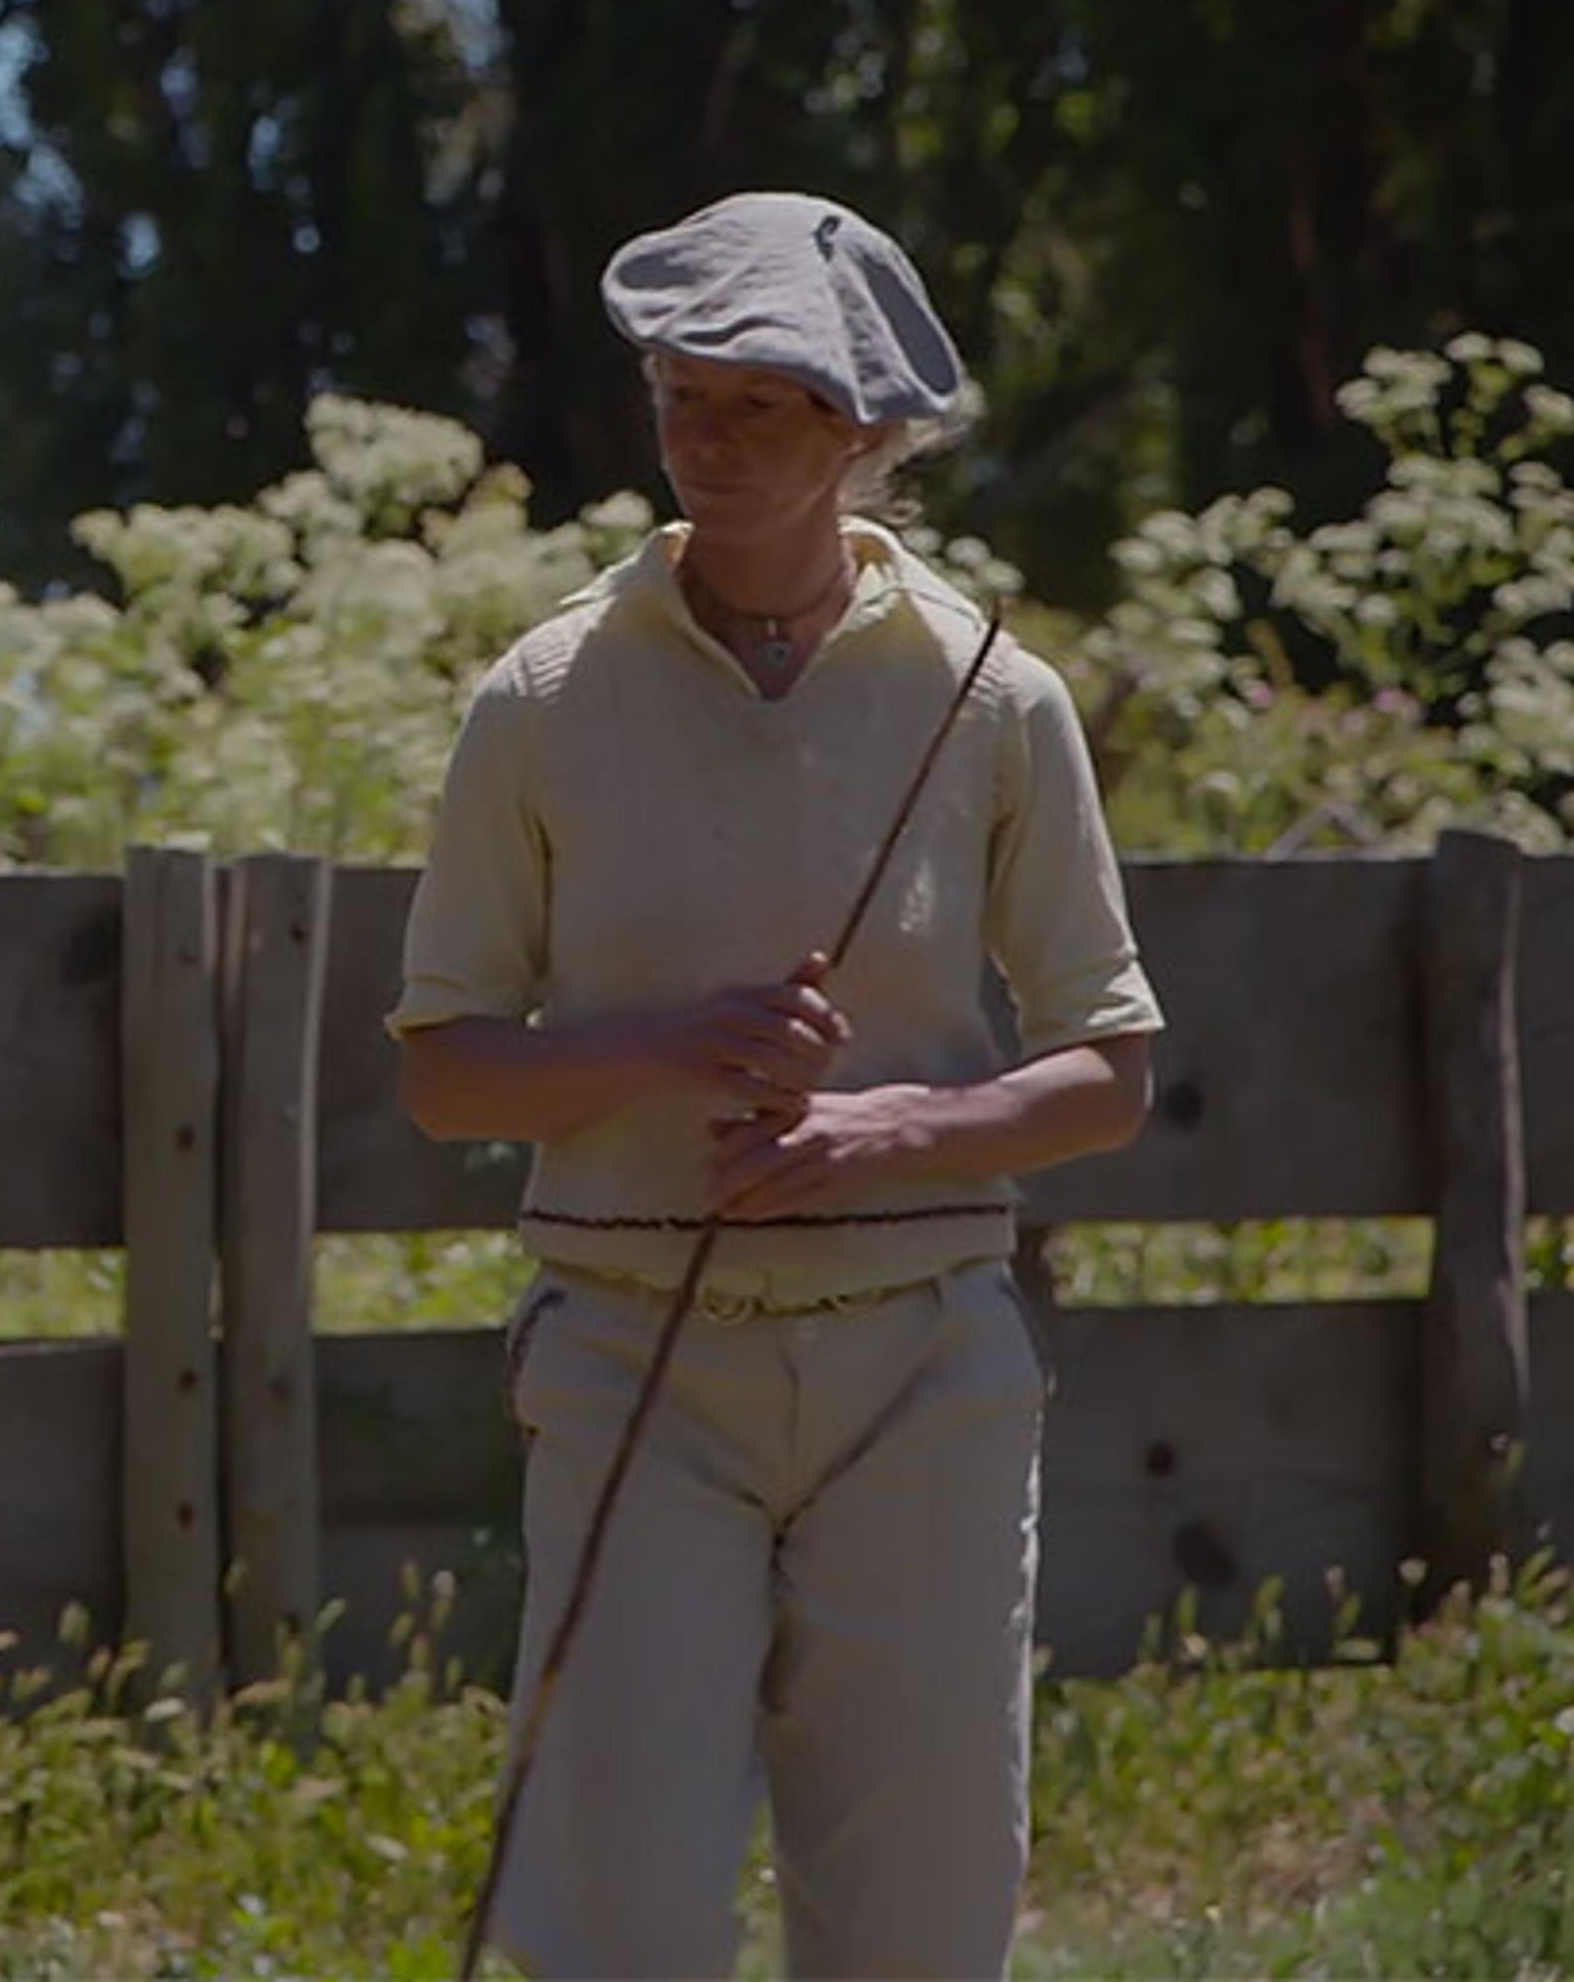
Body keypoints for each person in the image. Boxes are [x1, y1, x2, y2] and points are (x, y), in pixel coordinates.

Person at [387, 190, 1164, 1979]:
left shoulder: (994, 697)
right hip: (628, 1354)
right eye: (681, 396)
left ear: (862, 435)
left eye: (759, 404)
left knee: (916, 1923)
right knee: (625, 1919)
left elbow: (1109, 1070)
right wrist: (670, 1044)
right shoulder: (544, 692)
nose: (707, 439)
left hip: (927, 1368)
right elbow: (443, 1074)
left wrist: (892, 1129)